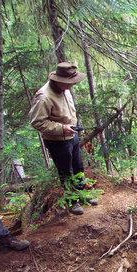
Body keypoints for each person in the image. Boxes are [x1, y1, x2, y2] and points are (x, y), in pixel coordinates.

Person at [29, 62, 95, 215]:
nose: (71, 85)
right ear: (59, 80)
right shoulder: (44, 96)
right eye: (68, 83)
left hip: (72, 135)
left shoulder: (64, 89)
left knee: (78, 167)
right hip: (56, 141)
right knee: (66, 171)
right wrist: (61, 128)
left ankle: (82, 196)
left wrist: (71, 127)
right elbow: (37, 122)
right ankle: (72, 202)